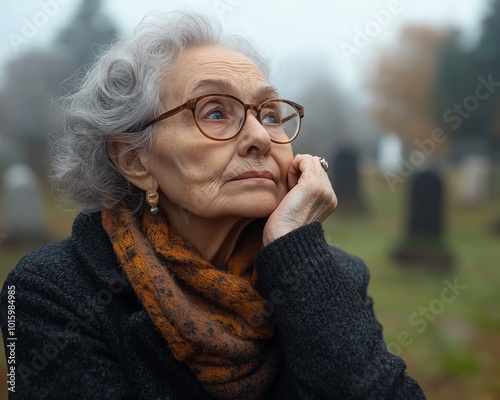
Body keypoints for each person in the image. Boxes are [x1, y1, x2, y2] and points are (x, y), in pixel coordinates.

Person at [0, 11, 426, 400]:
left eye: (271, 114)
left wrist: (297, 249)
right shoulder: (50, 293)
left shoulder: (334, 278)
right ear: (136, 161)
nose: (260, 136)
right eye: (215, 112)